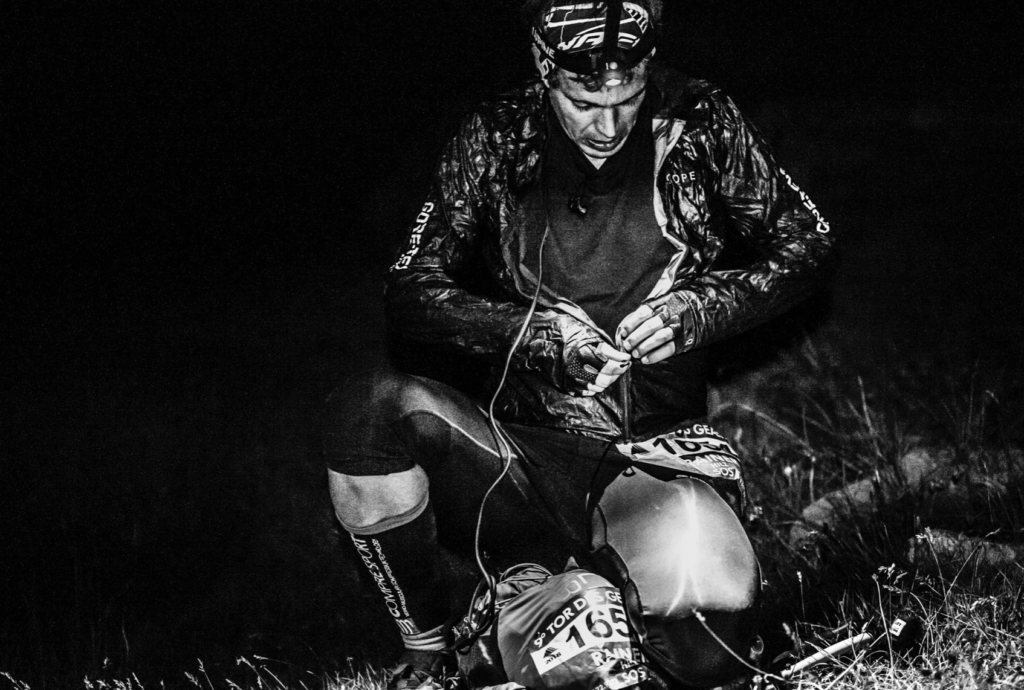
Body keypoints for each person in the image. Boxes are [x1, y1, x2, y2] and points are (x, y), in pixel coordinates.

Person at [324, 1, 836, 688]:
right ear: (545, 73)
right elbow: (410, 288)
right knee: (369, 413)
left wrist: (700, 307)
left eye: (627, 99)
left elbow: (810, 242)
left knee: (707, 634)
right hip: (517, 457)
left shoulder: (701, 120)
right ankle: (431, 652)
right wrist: (532, 335)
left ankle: (553, 602)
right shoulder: (496, 135)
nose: (607, 125)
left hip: (651, 456)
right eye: (584, 101)